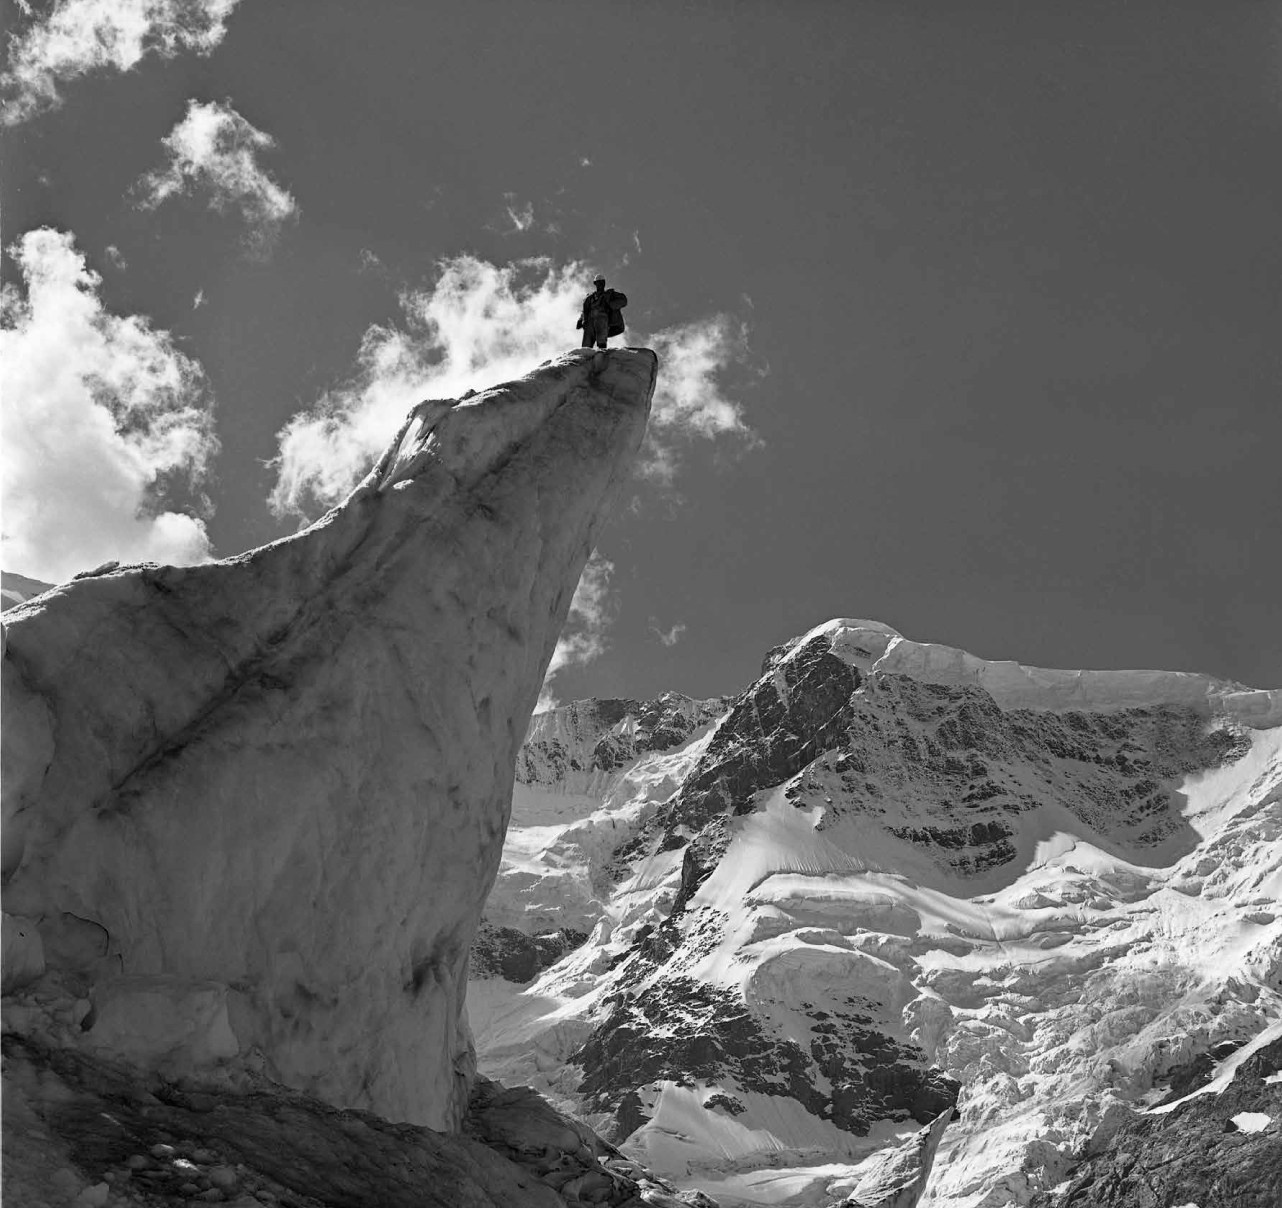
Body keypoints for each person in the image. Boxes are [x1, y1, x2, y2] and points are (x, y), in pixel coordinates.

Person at [576, 275, 627, 349]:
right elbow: (585, 311)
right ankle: (586, 351)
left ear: (604, 283)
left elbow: (623, 300)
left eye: (602, 282)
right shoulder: (590, 298)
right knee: (588, 335)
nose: (600, 284)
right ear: (595, 284)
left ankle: (601, 347)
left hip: (602, 317)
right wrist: (581, 320)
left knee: (601, 322)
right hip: (590, 320)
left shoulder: (609, 294)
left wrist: (611, 304)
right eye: (598, 282)